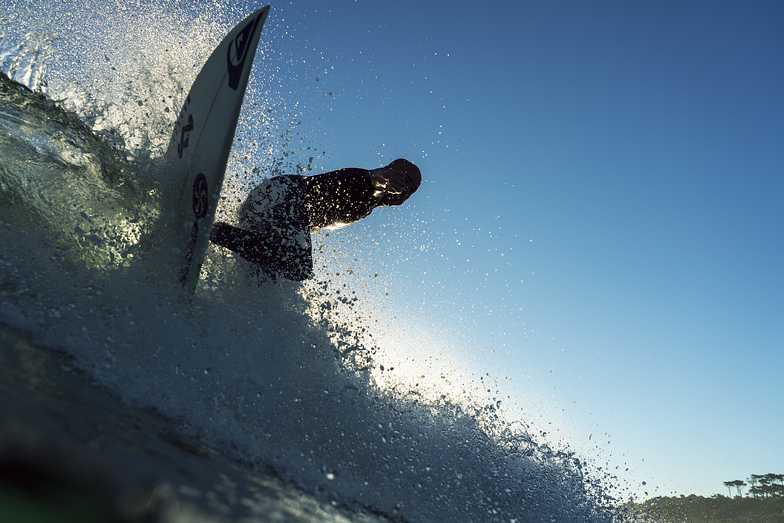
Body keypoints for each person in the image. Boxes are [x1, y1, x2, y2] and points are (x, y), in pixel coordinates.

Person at [210, 158, 422, 281]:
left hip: (271, 207)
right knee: (299, 266)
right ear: (390, 170)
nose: (406, 190)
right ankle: (212, 231)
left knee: (267, 278)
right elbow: (374, 179)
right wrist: (383, 177)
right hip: (282, 195)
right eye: (404, 179)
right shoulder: (368, 185)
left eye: (412, 189)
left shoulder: (371, 203)